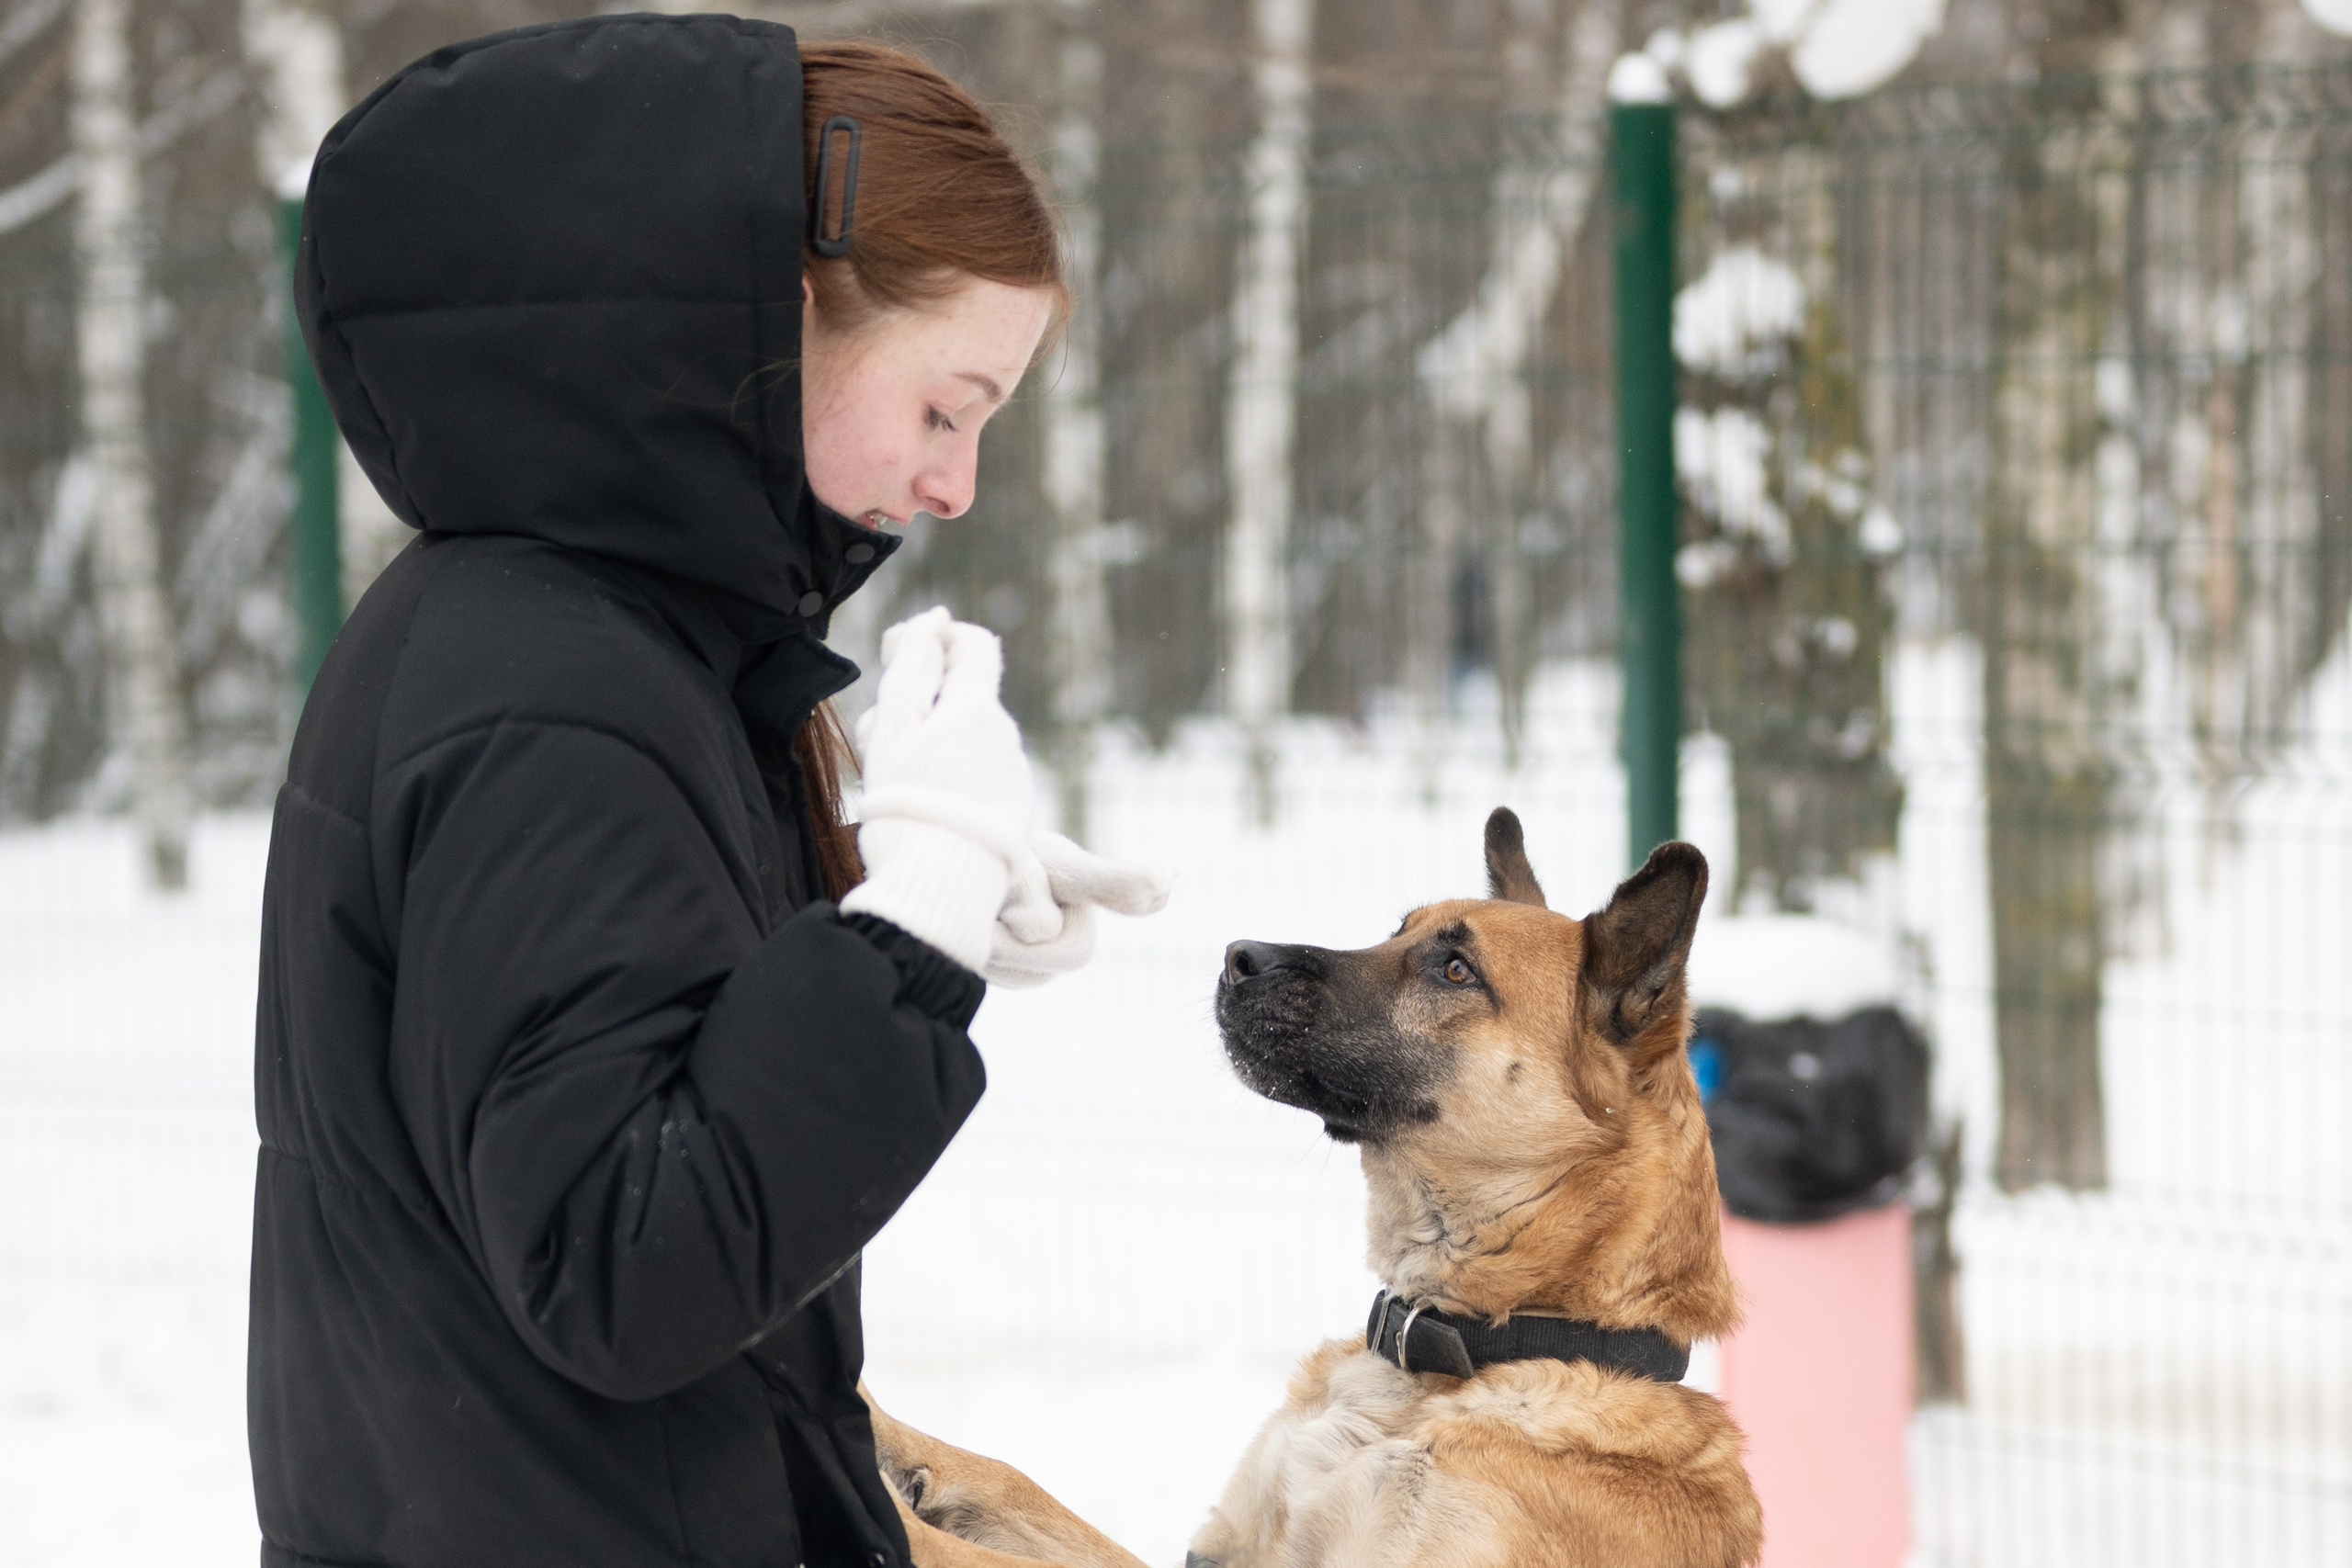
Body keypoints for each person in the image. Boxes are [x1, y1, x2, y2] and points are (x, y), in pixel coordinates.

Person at [249, 16, 1159, 1568]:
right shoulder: (555, 695)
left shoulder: (581, 638)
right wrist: (908, 933)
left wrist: (884, 930)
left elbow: (622, 1102)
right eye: (945, 407)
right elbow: (633, 1259)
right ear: (776, 314)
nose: (956, 486)